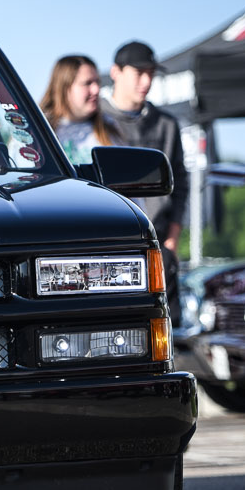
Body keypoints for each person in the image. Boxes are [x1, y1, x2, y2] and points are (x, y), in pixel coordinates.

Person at [100, 41, 189, 319]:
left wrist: (172, 243)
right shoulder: (97, 123)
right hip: (109, 249)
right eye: (139, 73)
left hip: (158, 246)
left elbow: (181, 185)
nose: (146, 81)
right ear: (116, 72)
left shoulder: (166, 125)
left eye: (150, 73)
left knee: (166, 334)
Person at [39, 55, 119, 164]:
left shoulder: (109, 127)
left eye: (97, 82)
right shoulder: (39, 130)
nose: (96, 90)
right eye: (87, 83)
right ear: (64, 88)